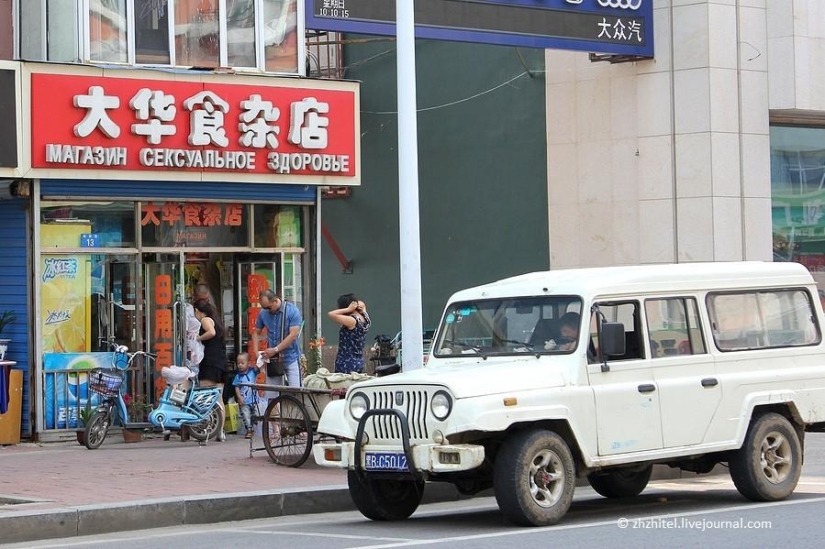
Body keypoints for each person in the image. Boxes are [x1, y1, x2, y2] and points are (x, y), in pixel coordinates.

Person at [252, 289, 303, 389]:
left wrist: (275, 349)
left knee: (296, 391)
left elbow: (293, 335)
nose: (267, 310)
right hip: (273, 359)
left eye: (269, 307)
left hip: (290, 357)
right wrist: (256, 352)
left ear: (275, 300)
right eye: (264, 308)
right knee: (272, 394)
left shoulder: (292, 311)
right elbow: (255, 333)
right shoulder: (263, 313)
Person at [193, 298, 228, 441]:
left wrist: (199, 338)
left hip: (210, 363)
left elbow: (211, 332)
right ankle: (220, 432)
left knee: (205, 397)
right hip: (221, 363)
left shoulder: (205, 320)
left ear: (197, 311)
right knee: (218, 399)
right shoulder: (216, 320)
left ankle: (206, 431)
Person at [328, 294, 371, 374]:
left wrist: (347, 309)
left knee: (343, 385)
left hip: (346, 362)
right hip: (358, 360)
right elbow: (362, 304)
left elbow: (331, 314)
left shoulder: (352, 320)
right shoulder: (364, 318)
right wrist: (362, 308)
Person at [232, 352, 257, 439]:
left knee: (255, 415)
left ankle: (253, 428)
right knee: (246, 415)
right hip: (244, 400)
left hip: (254, 399)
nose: (240, 365)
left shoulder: (252, 372)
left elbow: (260, 368)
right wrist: (239, 397)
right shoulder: (238, 376)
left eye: (242, 363)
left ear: (248, 363)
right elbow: (236, 387)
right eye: (238, 363)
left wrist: (259, 358)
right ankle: (249, 429)